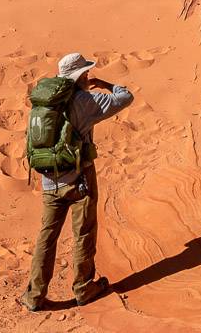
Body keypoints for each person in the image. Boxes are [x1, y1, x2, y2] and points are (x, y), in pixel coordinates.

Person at [21, 52, 134, 311]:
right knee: (83, 233)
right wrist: (105, 84)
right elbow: (125, 97)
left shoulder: (43, 104)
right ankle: (84, 288)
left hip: (49, 180)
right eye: (85, 73)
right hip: (78, 180)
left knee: (46, 237)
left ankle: (34, 296)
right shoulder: (85, 100)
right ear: (81, 76)